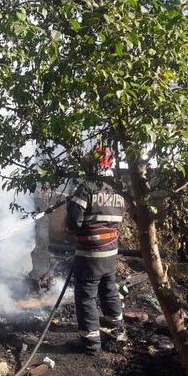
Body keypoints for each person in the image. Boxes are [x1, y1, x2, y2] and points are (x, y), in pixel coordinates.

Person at [64, 150, 127, 353]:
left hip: (90, 254)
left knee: (86, 295)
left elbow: (73, 224)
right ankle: (117, 332)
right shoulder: (118, 190)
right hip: (110, 252)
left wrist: (71, 211)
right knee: (109, 290)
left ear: (93, 165)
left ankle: (90, 343)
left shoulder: (86, 188)